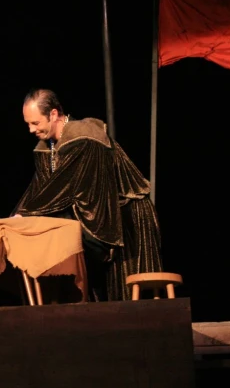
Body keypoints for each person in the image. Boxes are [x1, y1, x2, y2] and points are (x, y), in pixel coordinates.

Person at [13, 89, 163, 301]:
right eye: (28, 123)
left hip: (125, 217)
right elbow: (39, 190)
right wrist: (17, 217)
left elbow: (65, 186)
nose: (30, 129)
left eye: (35, 123)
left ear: (54, 114)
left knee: (125, 299)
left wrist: (29, 215)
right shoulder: (47, 148)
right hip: (92, 217)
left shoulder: (84, 138)